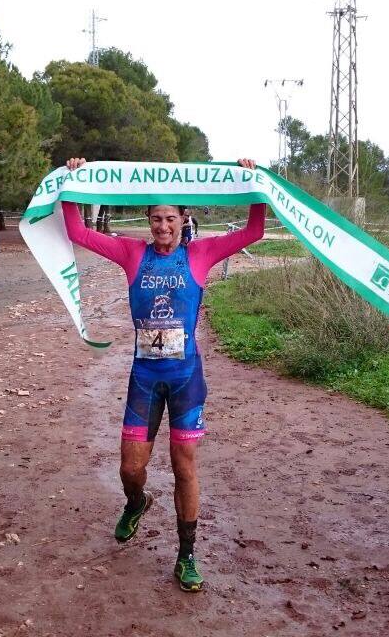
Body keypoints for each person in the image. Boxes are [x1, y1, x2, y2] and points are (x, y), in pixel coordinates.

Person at [61, 156, 264, 592]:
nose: (162, 227)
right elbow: (77, 232)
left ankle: (186, 555)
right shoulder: (132, 253)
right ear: (148, 221)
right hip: (145, 379)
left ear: (183, 219)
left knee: (183, 466)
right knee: (130, 469)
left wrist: (253, 183)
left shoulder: (202, 253)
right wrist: (74, 181)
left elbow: (253, 232)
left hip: (186, 377)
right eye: (155, 219)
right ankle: (137, 502)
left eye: (170, 218)